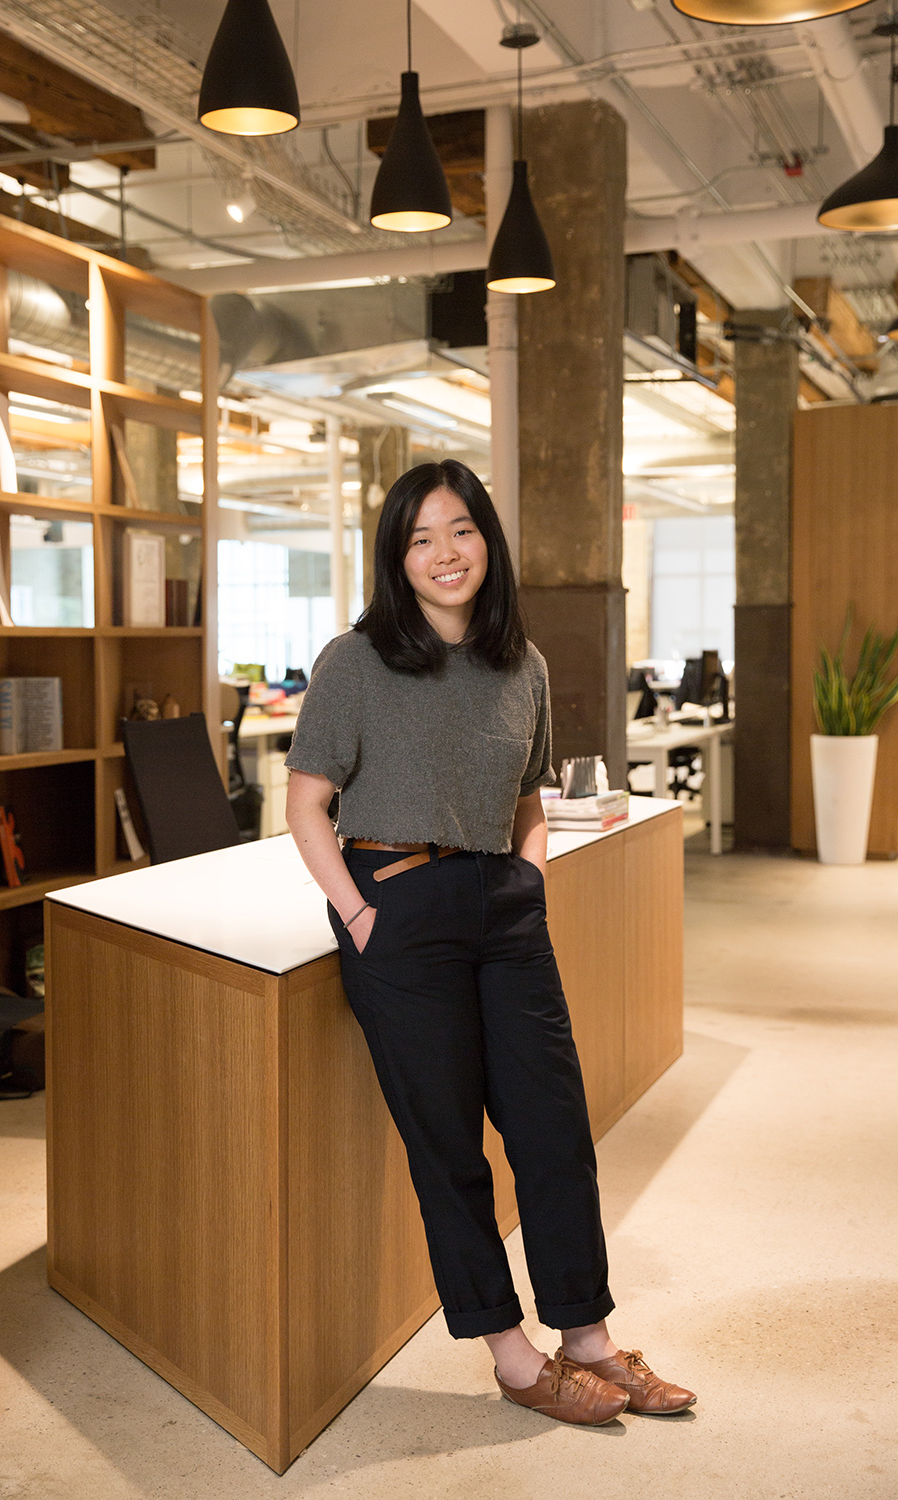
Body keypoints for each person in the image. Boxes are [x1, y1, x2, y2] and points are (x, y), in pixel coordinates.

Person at [284, 459, 694, 1427]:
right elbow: (306, 808)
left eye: (459, 530)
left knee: (552, 1126)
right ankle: (512, 1358)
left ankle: (586, 1337)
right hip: (396, 907)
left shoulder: (525, 666)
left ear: (487, 540)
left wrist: (530, 880)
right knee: (448, 1149)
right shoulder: (354, 662)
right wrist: (359, 914)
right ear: (396, 556)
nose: (442, 553)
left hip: (503, 909)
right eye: (419, 538)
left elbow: (528, 802)